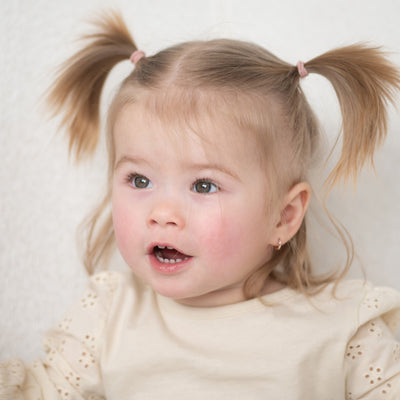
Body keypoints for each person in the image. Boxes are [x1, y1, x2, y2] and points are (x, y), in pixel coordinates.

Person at [1, 10, 400, 400]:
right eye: (139, 180)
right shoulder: (108, 316)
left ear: (284, 216)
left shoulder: (342, 330)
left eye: (204, 185)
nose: (162, 213)